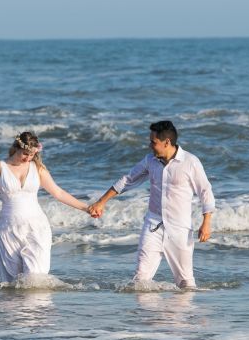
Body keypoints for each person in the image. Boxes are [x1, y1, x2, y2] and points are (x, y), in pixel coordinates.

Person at [87, 120, 215, 289]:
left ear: (167, 142)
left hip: (180, 229)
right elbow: (128, 180)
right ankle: (148, 316)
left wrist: (206, 223)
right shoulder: (150, 160)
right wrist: (101, 201)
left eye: (153, 142)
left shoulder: (190, 162)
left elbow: (205, 191)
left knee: (186, 283)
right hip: (153, 225)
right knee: (140, 280)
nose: (150, 146)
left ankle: (181, 315)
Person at [0, 131, 91, 282]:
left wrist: (86, 208)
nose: (28, 158)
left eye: (32, 155)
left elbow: (58, 193)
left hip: (36, 226)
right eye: (25, 154)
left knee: (35, 278)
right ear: (16, 147)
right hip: (9, 228)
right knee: (14, 282)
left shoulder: (38, 168)